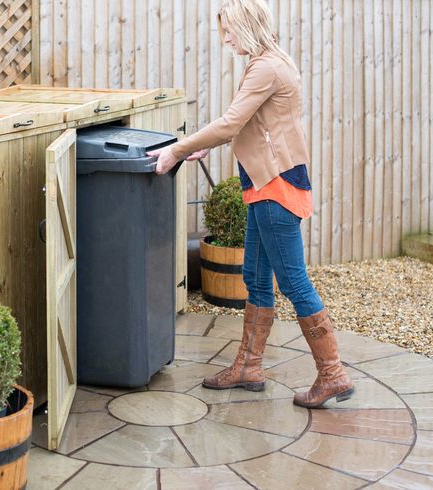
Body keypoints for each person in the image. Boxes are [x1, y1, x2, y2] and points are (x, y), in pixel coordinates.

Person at [147, 0, 354, 408]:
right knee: (257, 279)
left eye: (228, 31)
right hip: (265, 185)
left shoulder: (265, 67)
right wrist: (206, 147)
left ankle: (332, 373)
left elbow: (230, 122)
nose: (225, 38)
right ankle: (248, 367)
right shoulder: (273, 60)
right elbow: (254, 125)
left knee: (294, 282)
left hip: (275, 188)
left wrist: (177, 149)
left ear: (246, 26)